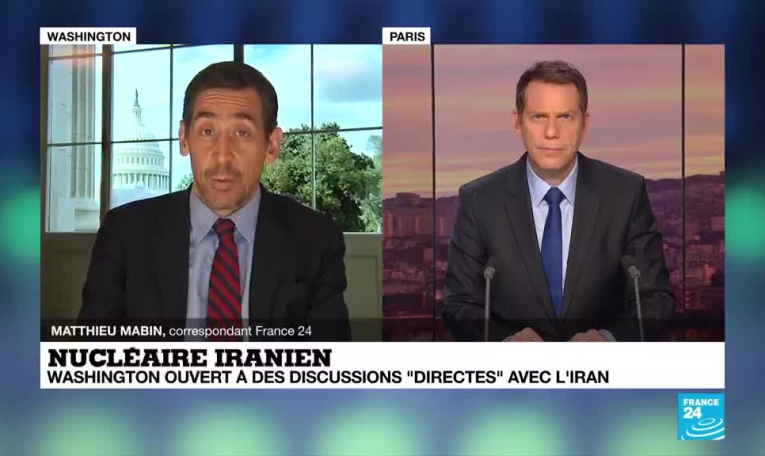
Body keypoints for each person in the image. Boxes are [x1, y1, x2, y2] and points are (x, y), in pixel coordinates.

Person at [79, 61, 350, 341]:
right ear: (184, 139)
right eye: (207, 132)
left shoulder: (316, 240)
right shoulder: (125, 234)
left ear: (272, 145)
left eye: (242, 133)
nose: (222, 157)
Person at [443, 60, 674, 342]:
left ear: (584, 124)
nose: (551, 132)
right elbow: (459, 304)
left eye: (565, 116)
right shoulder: (479, 200)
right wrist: (507, 343)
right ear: (518, 123)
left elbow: (654, 298)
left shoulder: (626, 193)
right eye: (539, 116)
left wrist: (608, 339)